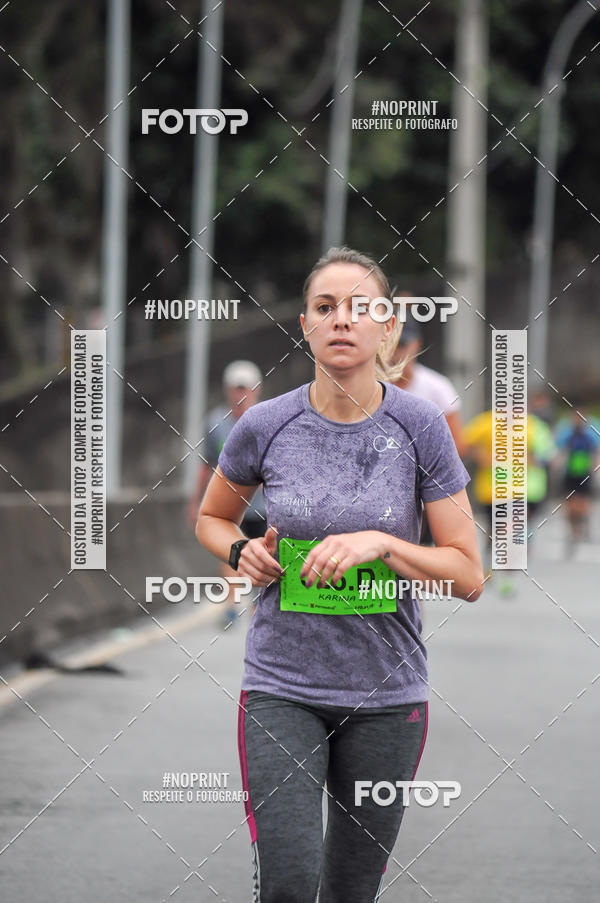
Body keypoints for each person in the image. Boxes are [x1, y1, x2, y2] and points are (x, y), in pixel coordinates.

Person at [195, 247, 484, 902]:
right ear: (305, 324)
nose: (341, 320)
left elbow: (467, 573)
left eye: (361, 307)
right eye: (326, 307)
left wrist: (382, 543)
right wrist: (242, 552)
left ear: (387, 325)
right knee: (291, 882)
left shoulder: (420, 428)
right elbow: (212, 518)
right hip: (281, 686)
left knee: (351, 890)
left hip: (387, 697)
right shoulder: (266, 424)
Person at [187, 360, 266, 626]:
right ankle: (232, 605)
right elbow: (206, 465)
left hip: (263, 506)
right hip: (229, 504)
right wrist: (196, 502)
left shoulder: (268, 420)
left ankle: (260, 607)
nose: (240, 395)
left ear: (256, 390)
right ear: (227, 390)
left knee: (264, 554)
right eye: (236, 388)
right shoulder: (215, 423)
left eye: (246, 388)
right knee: (230, 553)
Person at [391, 317, 465, 456]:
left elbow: (457, 445)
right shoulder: (370, 386)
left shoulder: (438, 387)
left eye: (401, 344)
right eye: (391, 344)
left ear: (417, 344)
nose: (396, 352)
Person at [554, 408, 600, 547]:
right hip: (570, 472)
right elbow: (559, 449)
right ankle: (573, 528)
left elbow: (596, 451)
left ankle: (583, 522)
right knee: (569, 504)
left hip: (585, 472)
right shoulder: (567, 432)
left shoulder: (591, 432)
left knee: (583, 502)